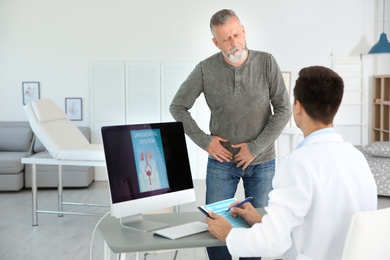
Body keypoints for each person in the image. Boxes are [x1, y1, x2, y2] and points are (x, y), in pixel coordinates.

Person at [206, 66, 378, 260]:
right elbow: (320, 220)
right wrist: (262, 220)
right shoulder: (358, 159)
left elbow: (272, 244)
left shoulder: (297, 164)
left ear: (298, 107)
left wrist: (229, 234)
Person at [169, 9, 291, 260]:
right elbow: (178, 107)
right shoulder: (205, 69)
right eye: (226, 39)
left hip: (262, 161)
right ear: (215, 42)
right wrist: (205, 142)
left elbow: (283, 110)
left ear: (244, 31)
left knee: (257, 228)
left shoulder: (266, 62)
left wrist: (254, 148)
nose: (234, 42)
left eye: (237, 34)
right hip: (221, 163)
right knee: (215, 226)